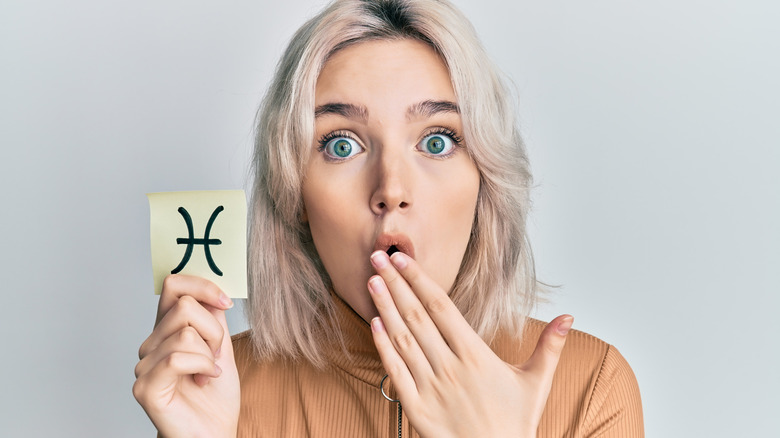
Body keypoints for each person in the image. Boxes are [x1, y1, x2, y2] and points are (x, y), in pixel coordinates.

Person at [133, 0, 644, 436]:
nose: (391, 191)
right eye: (341, 144)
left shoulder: (591, 385)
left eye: (437, 141)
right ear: (295, 198)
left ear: (485, 183)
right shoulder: (218, 389)